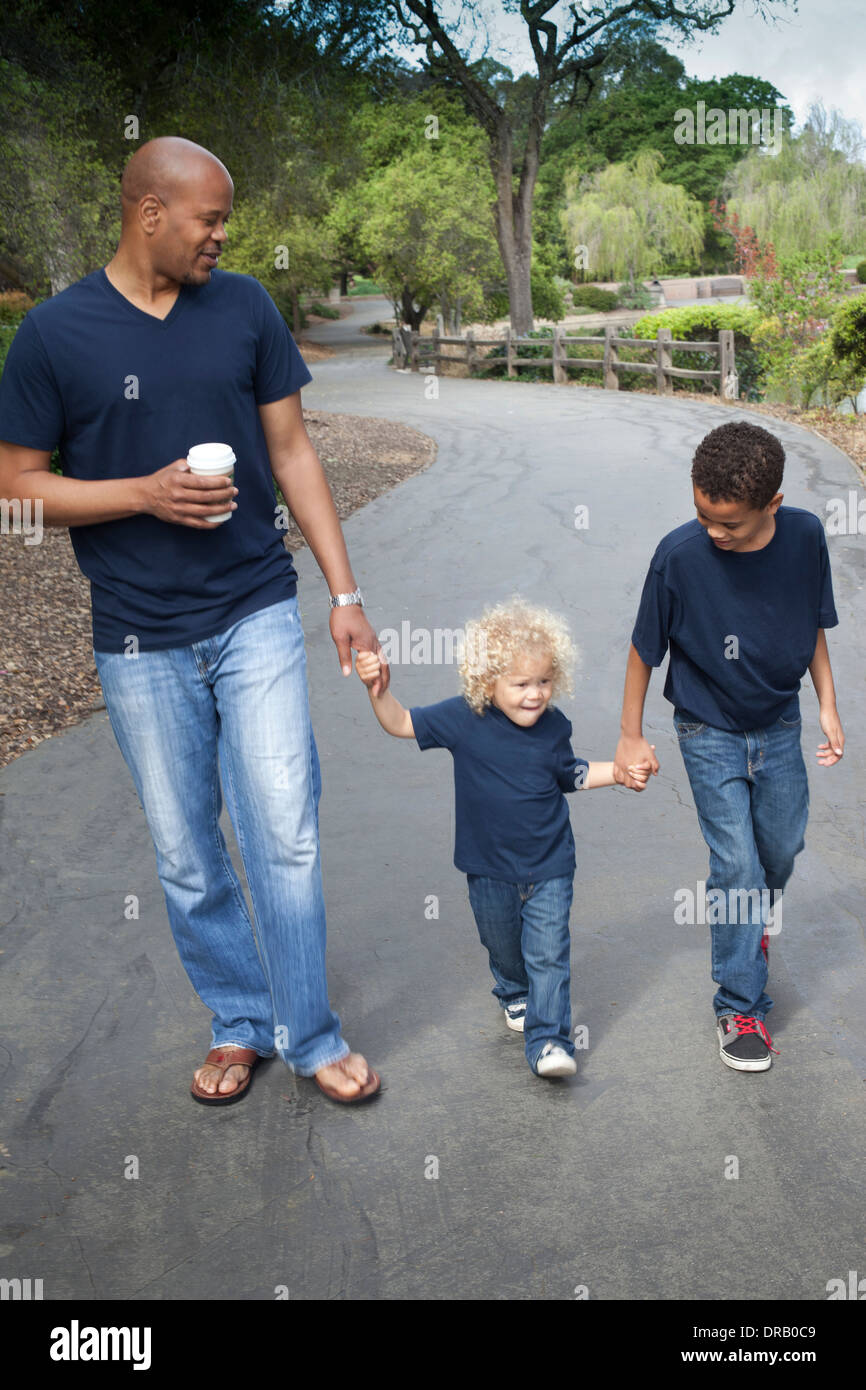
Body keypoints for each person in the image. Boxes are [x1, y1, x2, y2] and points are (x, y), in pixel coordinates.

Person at [0, 136, 384, 1105]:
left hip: (253, 602)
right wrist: (141, 494)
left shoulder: (246, 307)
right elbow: (14, 487)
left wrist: (344, 596)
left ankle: (310, 1031)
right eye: (208, 218)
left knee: (283, 827)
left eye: (225, 219)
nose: (222, 235)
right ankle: (238, 1019)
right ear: (148, 214)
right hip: (135, 633)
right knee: (184, 847)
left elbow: (292, 452)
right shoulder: (54, 334)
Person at [613, 421, 844, 1072]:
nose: (715, 533)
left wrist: (826, 704)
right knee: (737, 867)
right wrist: (630, 736)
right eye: (703, 515)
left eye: (730, 524)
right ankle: (740, 1004)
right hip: (707, 727)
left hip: (779, 721)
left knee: (781, 846)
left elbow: (814, 625)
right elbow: (643, 651)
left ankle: (748, 927)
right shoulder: (679, 556)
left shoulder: (802, 537)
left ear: (772, 504)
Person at [356, 598, 651, 1078]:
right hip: (487, 867)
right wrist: (377, 690)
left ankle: (550, 1042)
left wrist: (617, 772)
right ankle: (513, 990)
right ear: (486, 681)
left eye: (543, 682)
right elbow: (400, 723)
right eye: (520, 684)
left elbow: (569, 774)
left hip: (551, 864)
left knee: (549, 954)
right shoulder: (462, 719)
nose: (534, 695)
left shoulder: (554, 727)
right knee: (503, 945)